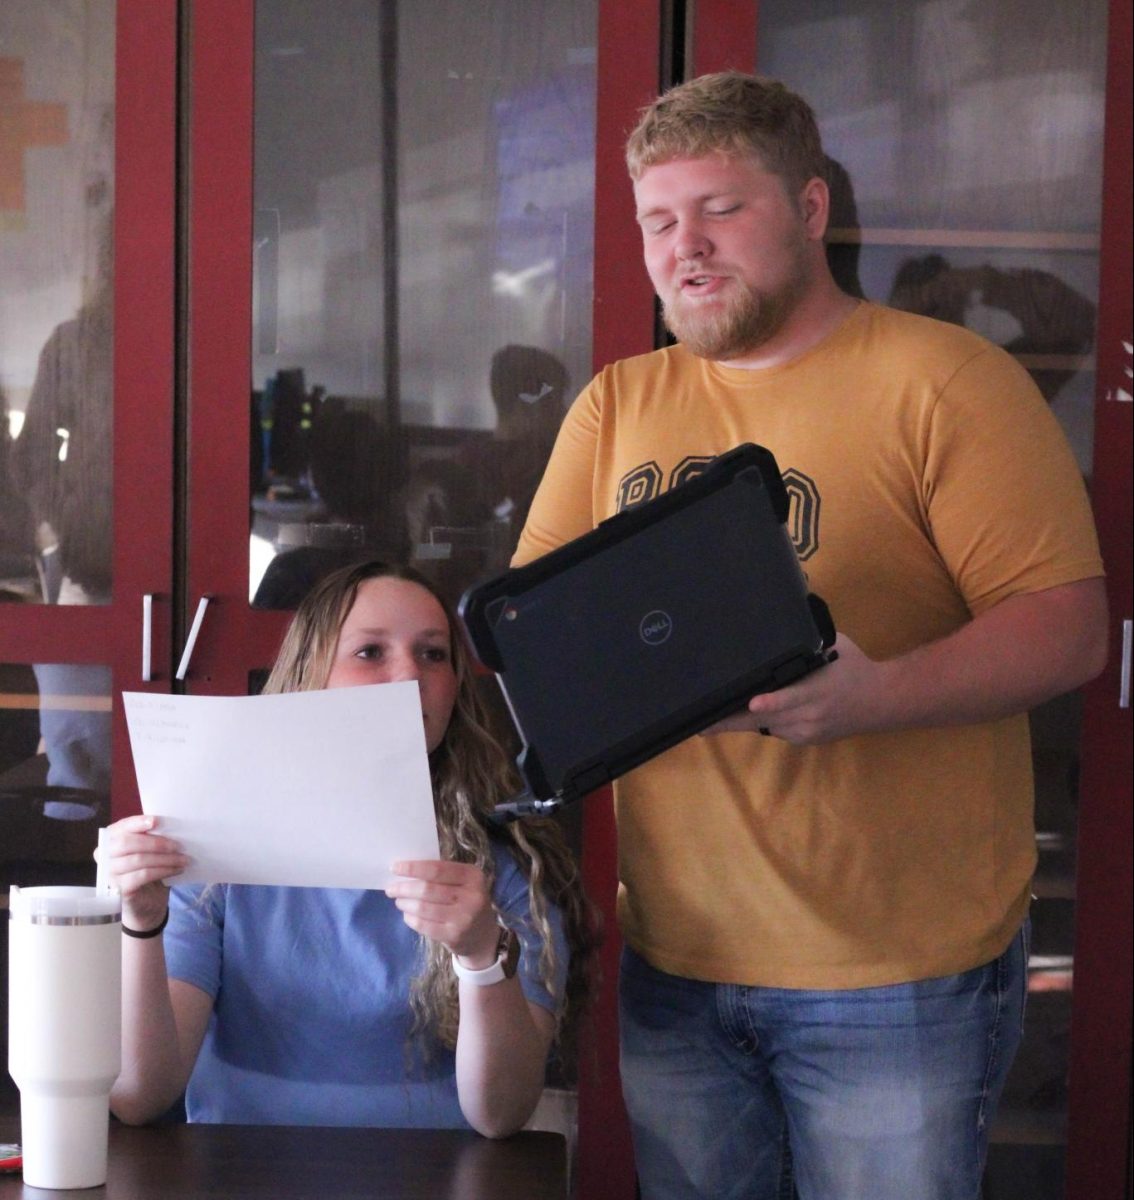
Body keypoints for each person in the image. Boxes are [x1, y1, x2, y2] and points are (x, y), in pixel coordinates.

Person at [513, 71, 1108, 1199]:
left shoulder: (945, 382)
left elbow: (1069, 629)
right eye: (657, 220)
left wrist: (878, 697)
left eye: (720, 209)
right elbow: (535, 637)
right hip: (677, 959)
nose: (683, 245)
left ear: (812, 208)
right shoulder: (617, 405)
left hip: (896, 977)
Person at [100, 560, 599, 1136]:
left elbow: (501, 1114)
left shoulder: (502, 863)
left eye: (434, 654)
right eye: (370, 653)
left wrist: (481, 954)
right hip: (241, 1176)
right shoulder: (212, 853)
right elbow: (138, 1094)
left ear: (457, 687)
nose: (409, 676)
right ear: (312, 675)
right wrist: (141, 922)